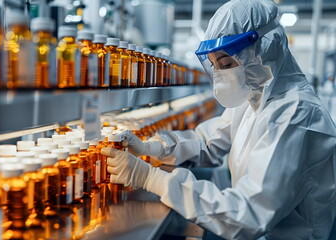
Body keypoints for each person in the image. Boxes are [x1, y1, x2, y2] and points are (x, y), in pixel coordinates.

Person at [101, 0, 336, 239]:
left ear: (263, 51)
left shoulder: (295, 113)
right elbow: (209, 142)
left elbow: (249, 213)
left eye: (226, 64)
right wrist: (153, 147)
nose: (221, 75)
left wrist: (152, 179)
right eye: (214, 65)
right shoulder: (257, 95)